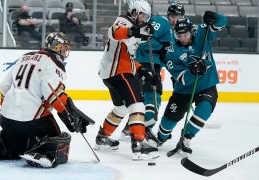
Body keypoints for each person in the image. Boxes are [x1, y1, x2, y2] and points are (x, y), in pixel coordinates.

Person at [0, 32, 94, 168]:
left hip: (6, 118)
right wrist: (68, 113)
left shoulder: (25, 56)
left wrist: (5, 108)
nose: (64, 51)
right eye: (62, 47)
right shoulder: (54, 62)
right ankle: (43, 153)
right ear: (55, 47)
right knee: (60, 138)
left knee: (11, 146)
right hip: (32, 121)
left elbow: (4, 86)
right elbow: (53, 95)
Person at [149, 12, 227, 154]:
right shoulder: (171, 51)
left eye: (185, 35)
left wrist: (215, 17)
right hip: (184, 90)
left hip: (206, 85)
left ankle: (186, 138)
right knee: (168, 123)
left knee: (204, 110)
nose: (182, 38)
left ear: (192, 31)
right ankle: (161, 137)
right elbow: (181, 77)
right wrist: (193, 71)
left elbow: (222, 22)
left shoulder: (202, 33)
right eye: (179, 35)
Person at [94, 0, 158, 160]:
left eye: (147, 16)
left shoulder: (133, 28)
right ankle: (138, 145)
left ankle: (103, 137)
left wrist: (142, 69)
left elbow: (126, 55)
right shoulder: (124, 21)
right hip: (119, 72)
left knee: (121, 109)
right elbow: (114, 32)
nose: (145, 18)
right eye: (143, 14)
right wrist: (133, 30)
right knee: (137, 105)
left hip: (112, 73)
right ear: (135, 12)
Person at [120, 2, 186, 142]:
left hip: (153, 65)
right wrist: (161, 47)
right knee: (153, 94)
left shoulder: (176, 34)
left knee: (146, 97)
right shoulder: (162, 22)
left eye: (179, 16)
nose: (176, 19)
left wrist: (175, 75)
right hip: (145, 62)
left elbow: (168, 56)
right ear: (169, 15)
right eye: (173, 16)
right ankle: (145, 126)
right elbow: (143, 38)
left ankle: (132, 126)